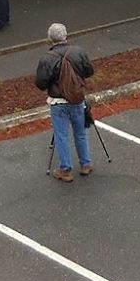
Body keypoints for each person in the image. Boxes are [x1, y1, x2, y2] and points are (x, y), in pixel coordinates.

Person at [35, 22, 96, 180]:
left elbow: (40, 83)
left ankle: (66, 169)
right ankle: (86, 164)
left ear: (50, 39)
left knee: (61, 135)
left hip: (58, 103)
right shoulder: (78, 52)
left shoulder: (47, 58)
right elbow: (89, 71)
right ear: (65, 36)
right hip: (77, 99)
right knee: (80, 133)